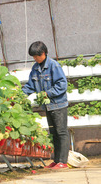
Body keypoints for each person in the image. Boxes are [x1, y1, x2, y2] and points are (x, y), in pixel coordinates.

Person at [22, 41, 70, 169]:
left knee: (61, 132)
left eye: (36, 56)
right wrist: (20, 94)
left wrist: (47, 94)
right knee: (53, 132)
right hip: (48, 106)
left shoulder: (54, 66)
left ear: (43, 53)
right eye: (33, 57)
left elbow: (62, 85)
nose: (35, 59)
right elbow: (30, 85)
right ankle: (56, 160)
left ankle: (63, 162)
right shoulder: (35, 68)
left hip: (58, 105)